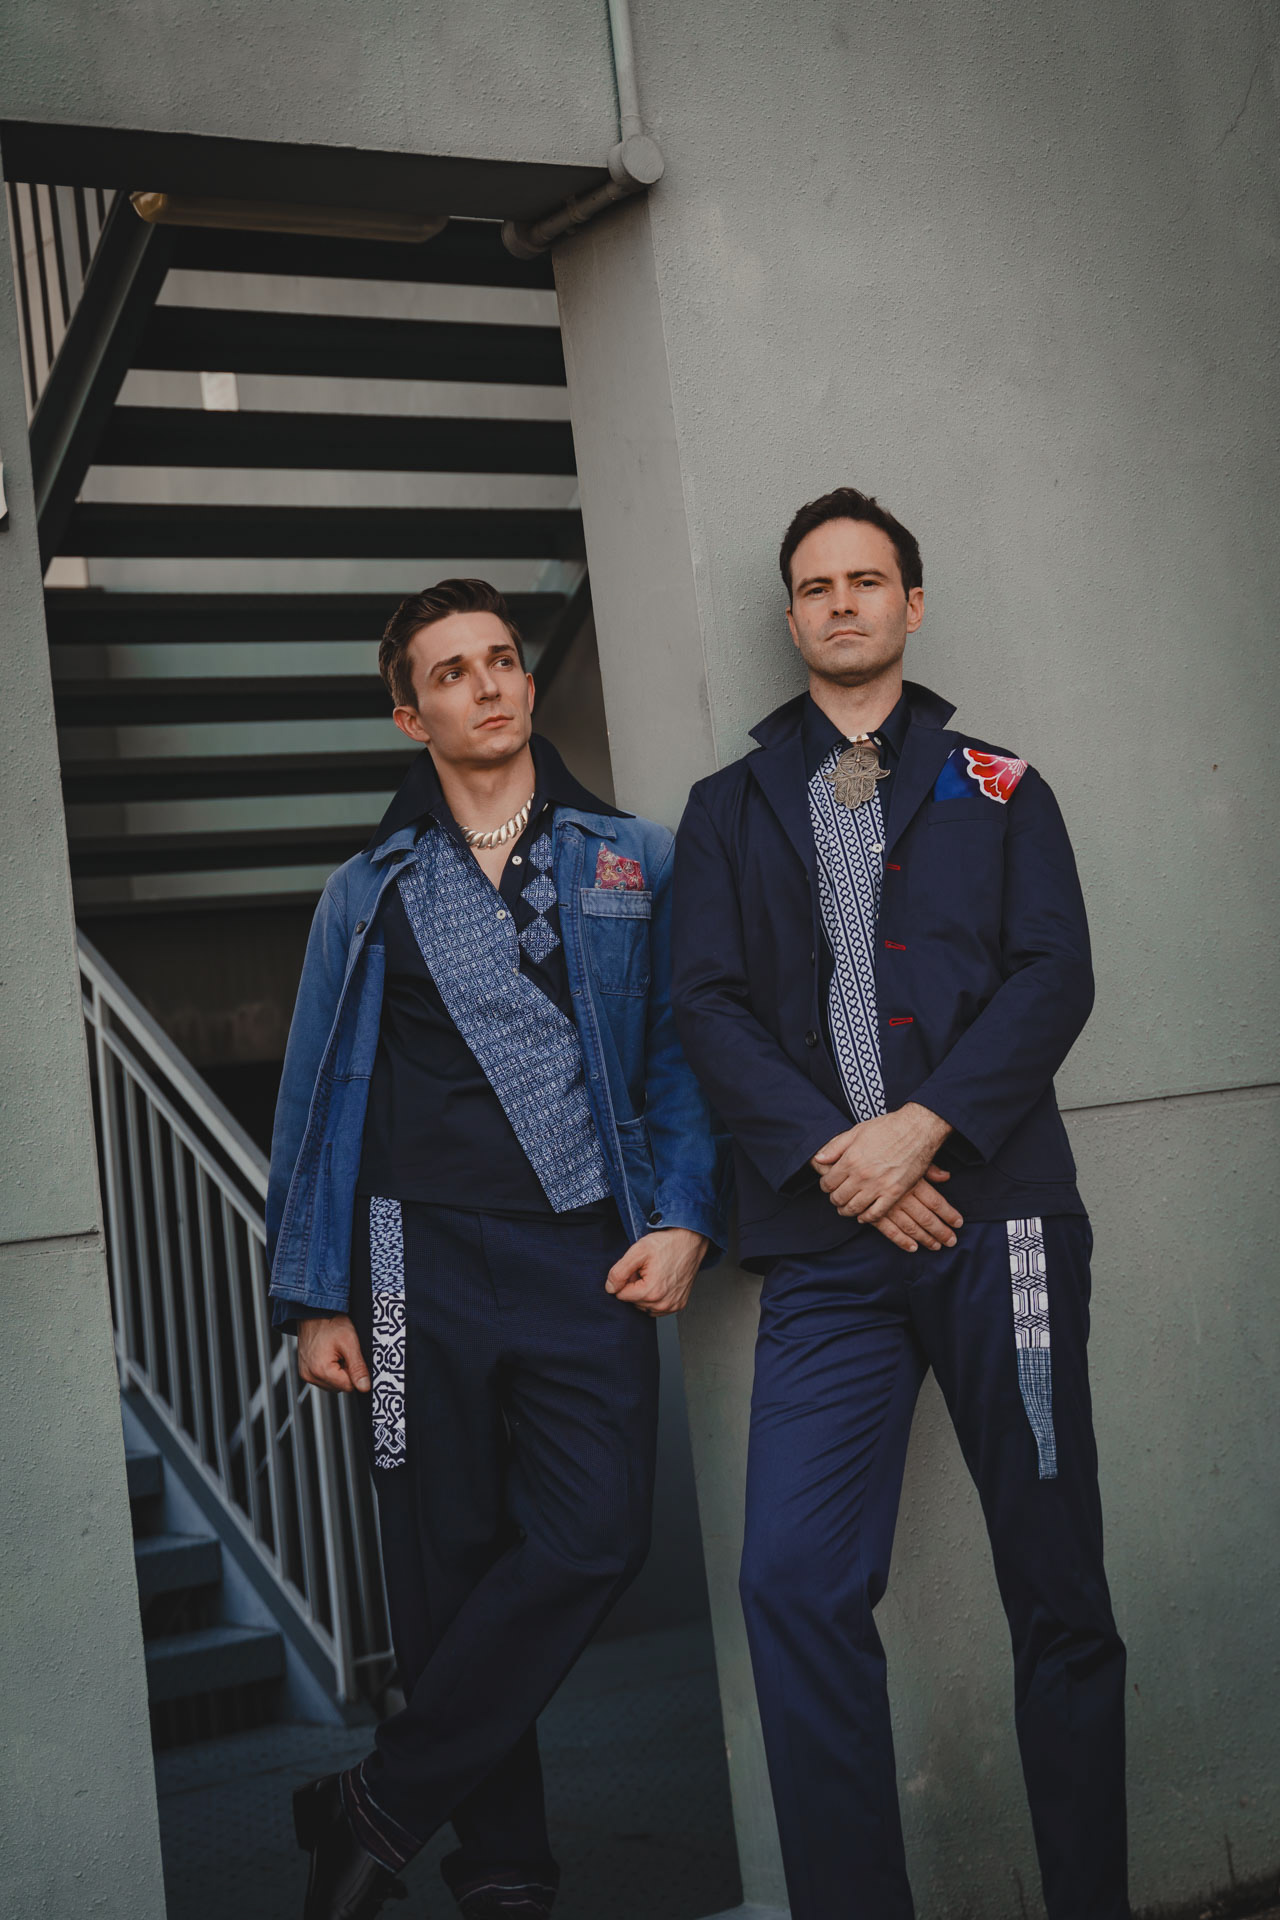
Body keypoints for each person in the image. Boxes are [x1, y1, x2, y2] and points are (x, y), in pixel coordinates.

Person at [670, 489, 1128, 1920]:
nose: (843, 603)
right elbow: (706, 1005)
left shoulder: (1002, 783)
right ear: (792, 616)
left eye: (868, 580)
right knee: (791, 1582)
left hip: (1003, 1226)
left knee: (1058, 1588)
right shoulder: (728, 809)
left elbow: (1056, 972)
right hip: (827, 1250)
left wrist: (921, 1132)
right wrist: (841, 1159)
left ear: (911, 605)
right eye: (817, 586)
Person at [267, 577, 727, 1920]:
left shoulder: (633, 856)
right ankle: (506, 1870)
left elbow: (683, 1052)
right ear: (410, 716)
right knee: (446, 1569)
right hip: (408, 1261)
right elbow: (310, 1099)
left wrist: (687, 1212)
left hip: (587, 1245)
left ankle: (378, 1802)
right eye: (452, 671)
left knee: (596, 1536)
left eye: (502, 658)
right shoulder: (364, 892)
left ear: (526, 679)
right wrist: (315, 1297)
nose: (488, 684)